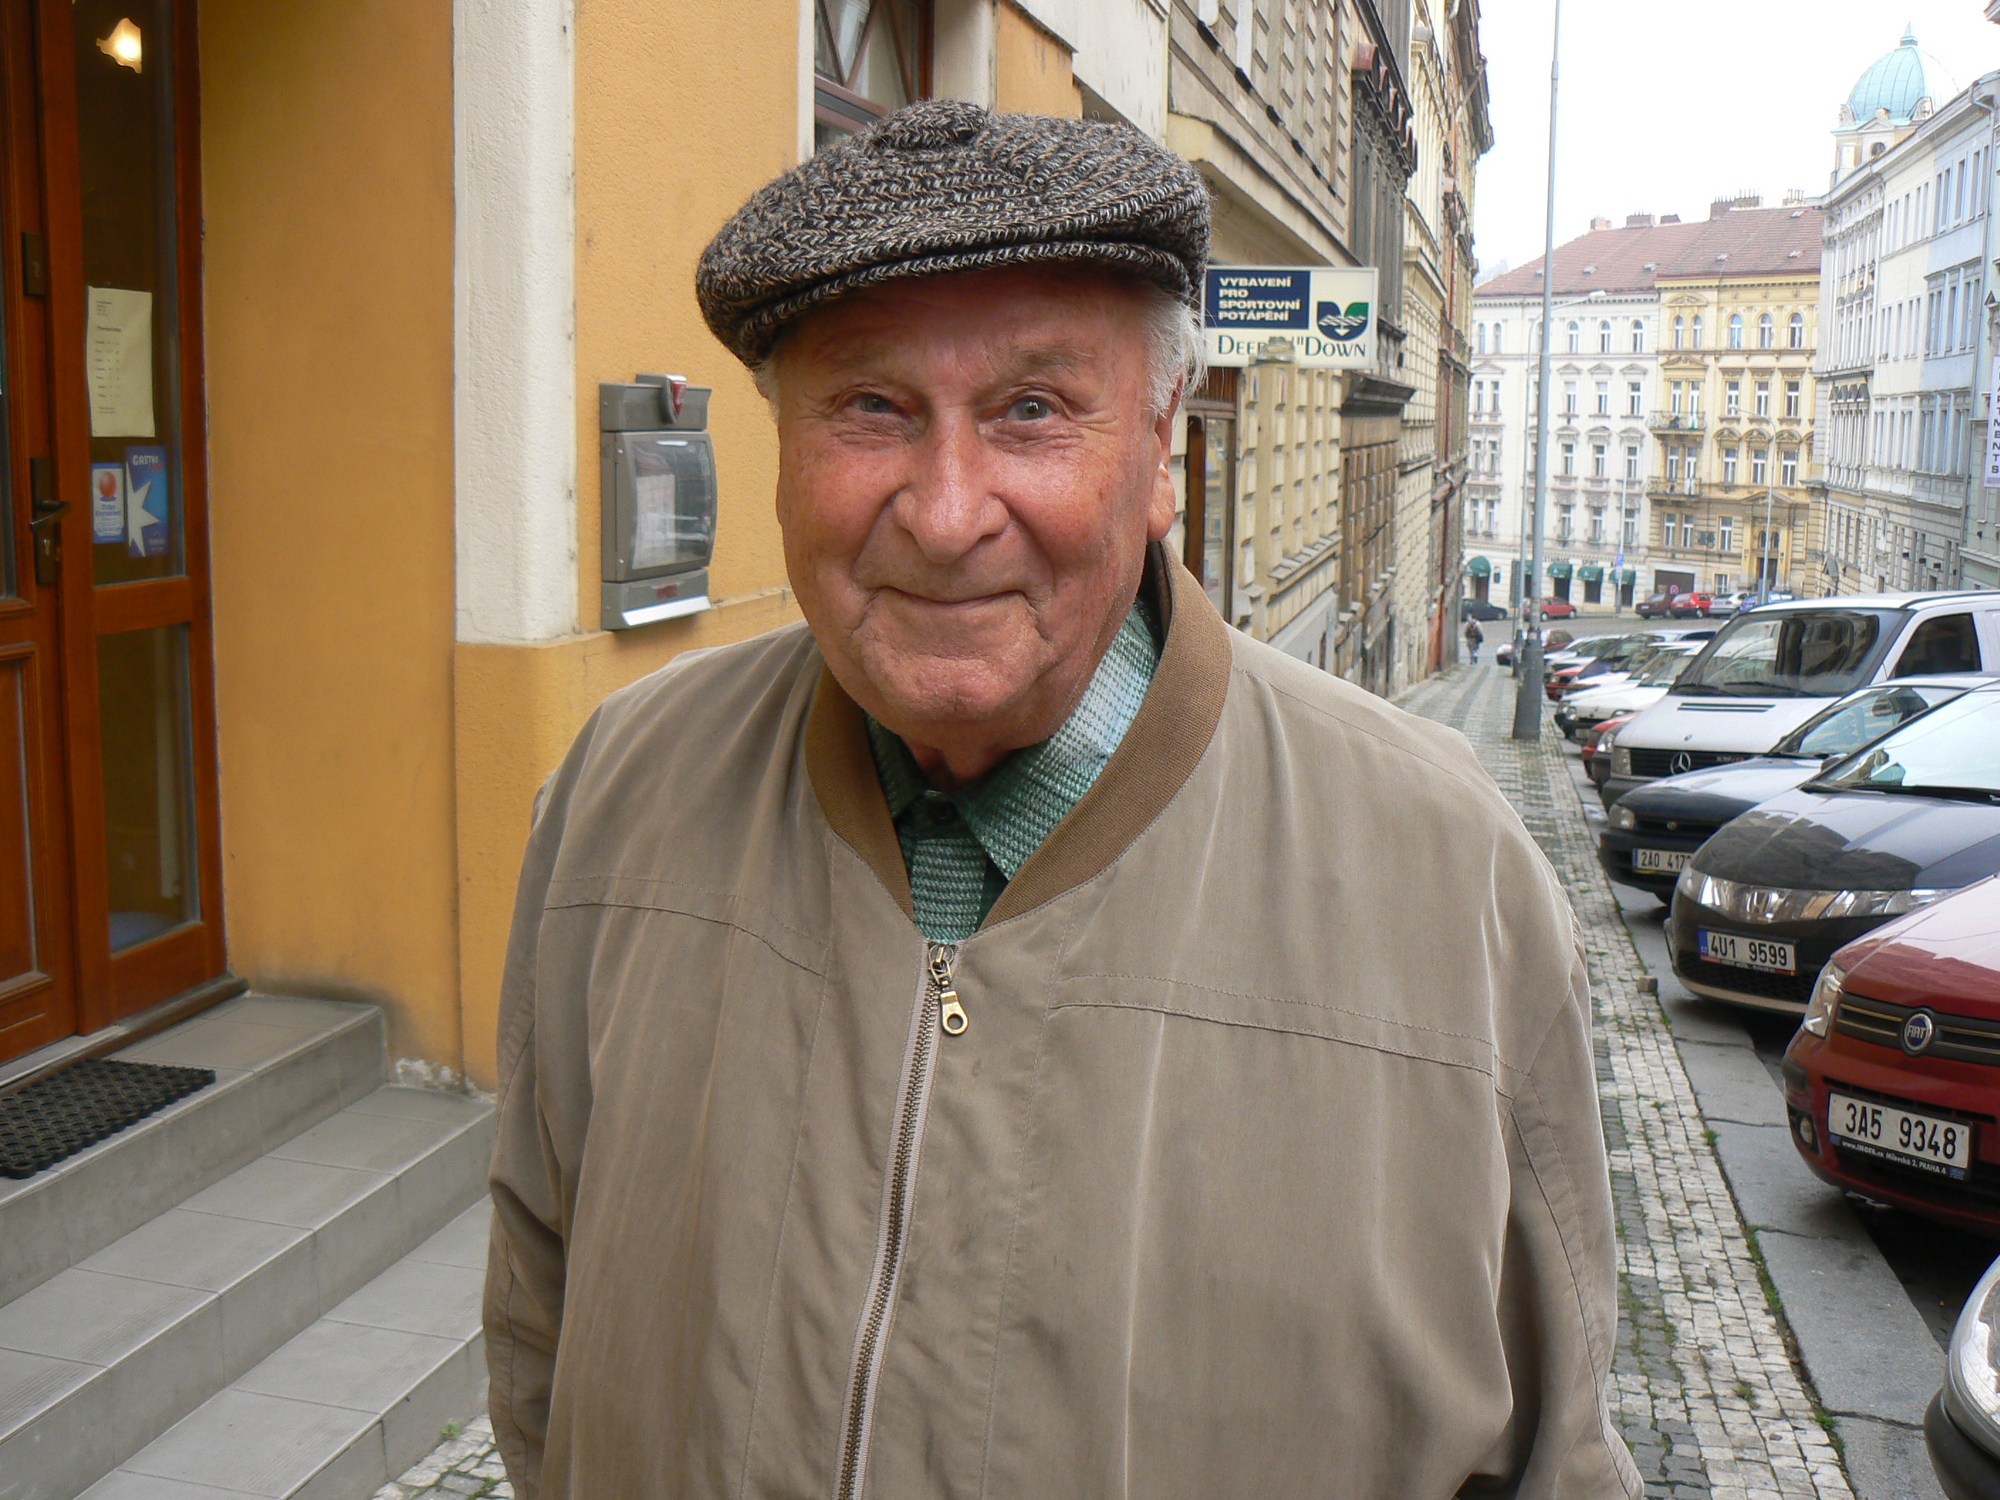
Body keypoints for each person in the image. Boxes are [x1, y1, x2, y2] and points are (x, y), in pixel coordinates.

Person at [484, 101, 1638, 1500]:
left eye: (1031, 410)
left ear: (1160, 452)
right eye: (870, 408)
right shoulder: (623, 790)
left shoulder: (1448, 876)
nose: (947, 512)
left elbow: (1559, 1459)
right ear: (781, 454)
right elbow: (542, 1325)